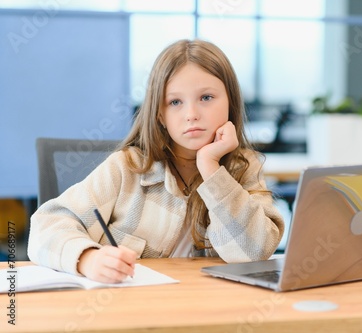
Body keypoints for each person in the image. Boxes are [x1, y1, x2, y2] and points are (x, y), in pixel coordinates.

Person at [27, 39, 285, 283]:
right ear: (159, 115)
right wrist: (88, 259)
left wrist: (211, 169)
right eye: (175, 102)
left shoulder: (244, 169)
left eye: (206, 98)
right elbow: (45, 228)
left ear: (231, 102)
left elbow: (252, 254)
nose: (191, 114)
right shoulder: (126, 168)